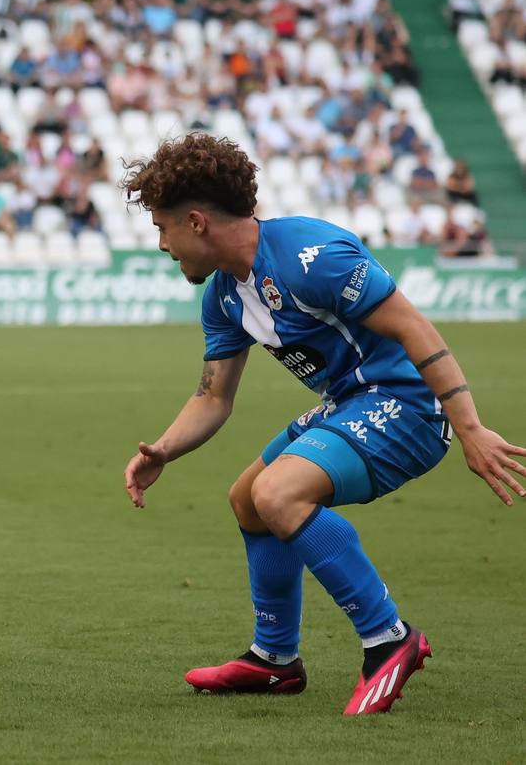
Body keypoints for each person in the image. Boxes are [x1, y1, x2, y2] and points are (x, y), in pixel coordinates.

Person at [120, 134, 525, 715]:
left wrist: (470, 428)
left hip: (410, 405)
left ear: (197, 221)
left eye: (163, 229)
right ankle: (275, 661)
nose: (162, 245)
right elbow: (212, 398)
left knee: (277, 492)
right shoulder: (225, 297)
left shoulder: (311, 256)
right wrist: (163, 449)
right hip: (352, 401)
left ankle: (389, 639)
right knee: (248, 500)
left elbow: (417, 331)